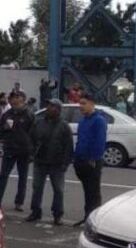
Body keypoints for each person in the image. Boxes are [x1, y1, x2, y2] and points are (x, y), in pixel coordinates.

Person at [26, 99, 73, 225]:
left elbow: (69, 147)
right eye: (48, 105)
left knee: (58, 189)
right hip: (40, 161)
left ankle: (58, 214)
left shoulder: (64, 126)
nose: (48, 108)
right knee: (37, 188)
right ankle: (35, 211)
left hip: (56, 164)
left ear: (58, 109)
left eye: (52, 106)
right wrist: (32, 152)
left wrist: (65, 164)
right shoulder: (39, 123)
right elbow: (31, 139)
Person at [0, 91, 35, 211]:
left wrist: (32, 152)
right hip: (9, 149)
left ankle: (19, 203)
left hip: (24, 151)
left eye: (18, 98)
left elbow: (34, 134)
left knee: (22, 178)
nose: (15, 101)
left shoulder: (29, 115)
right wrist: (4, 127)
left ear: (23, 100)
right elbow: (0, 128)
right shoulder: (7, 114)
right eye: (13, 99)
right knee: (3, 176)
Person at [72, 93, 107, 227]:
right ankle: (87, 216)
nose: (81, 106)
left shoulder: (98, 120)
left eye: (84, 103)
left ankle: (94, 220)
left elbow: (100, 141)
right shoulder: (83, 121)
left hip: (92, 161)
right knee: (87, 191)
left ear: (92, 104)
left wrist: (93, 158)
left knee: (93, 192)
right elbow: (81, 140)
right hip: (81, 160)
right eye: (80, 103)